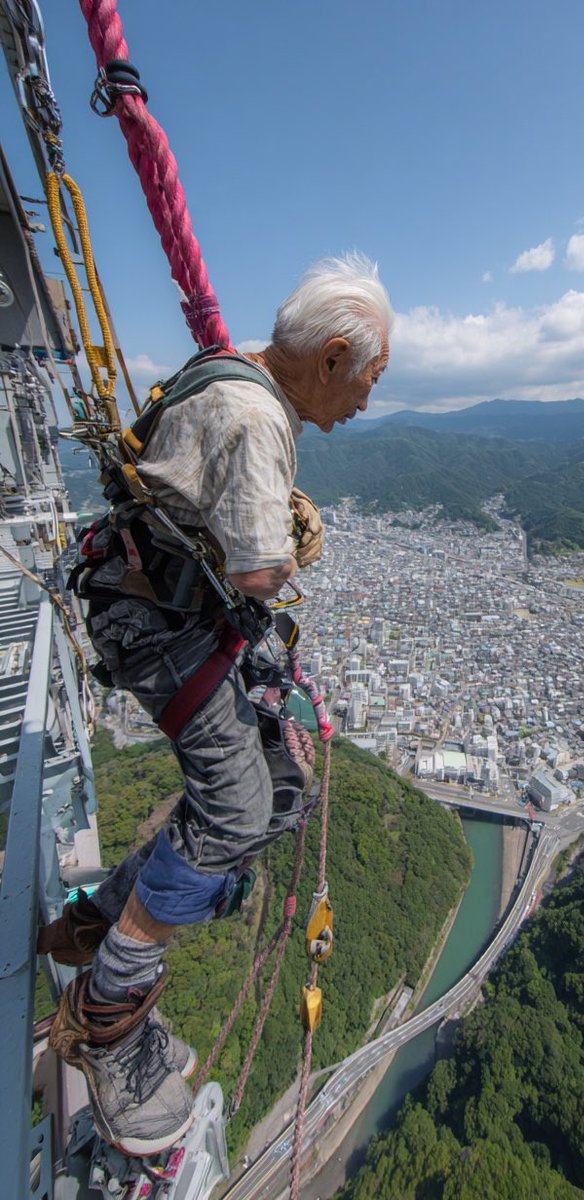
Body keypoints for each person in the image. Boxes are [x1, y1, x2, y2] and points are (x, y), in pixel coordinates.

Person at [41, 253, 393, 1156]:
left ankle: (101, 919)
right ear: (332, 355)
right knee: (235, 807)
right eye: (368, 378)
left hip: (155, 602)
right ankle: (110, 1011)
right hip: (158, 620)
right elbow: (259, 572)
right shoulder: (254, 413)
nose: (363, 403)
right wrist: (292, 546)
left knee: (283, 786)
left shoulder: (236, 368)